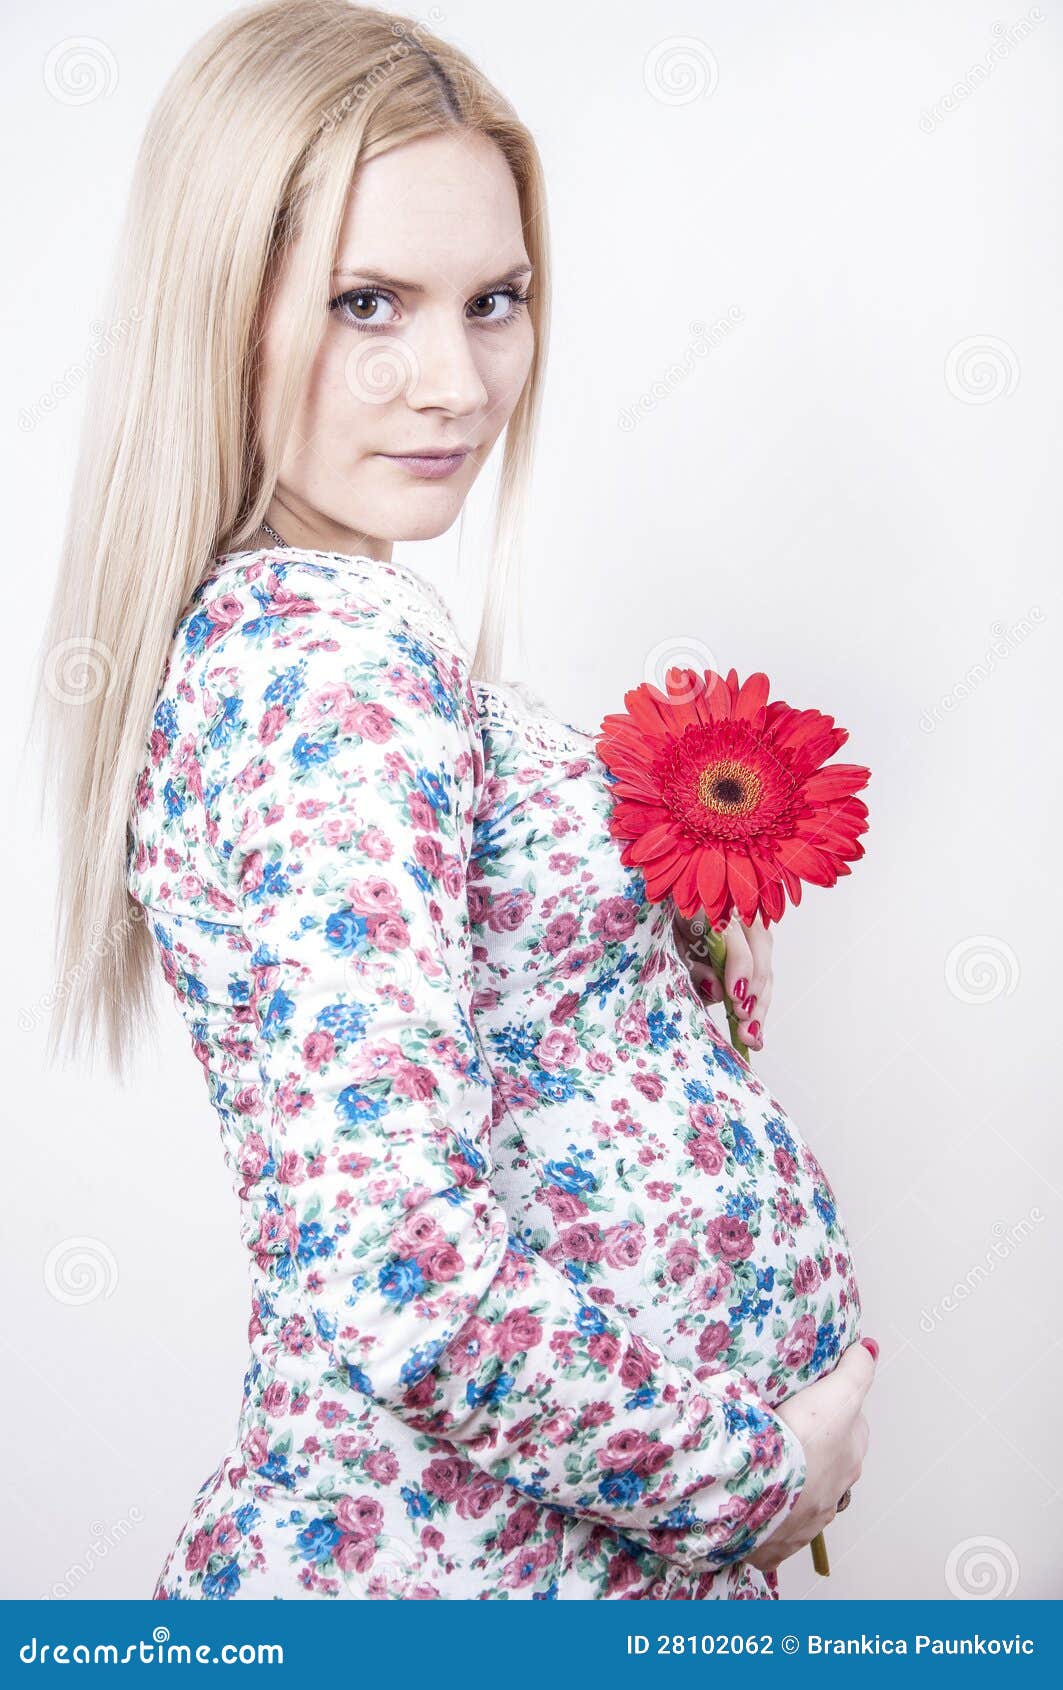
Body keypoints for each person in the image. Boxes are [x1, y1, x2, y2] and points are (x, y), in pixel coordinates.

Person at [34, 0, 875, 1599]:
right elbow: (398, 1267)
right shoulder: (326, 667)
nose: (456, 380)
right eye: (372, 303)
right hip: (453, 1597)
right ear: (222, 309)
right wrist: (751, 1474)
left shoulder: (332, 635)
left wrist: (645, 968)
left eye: (496, 300)